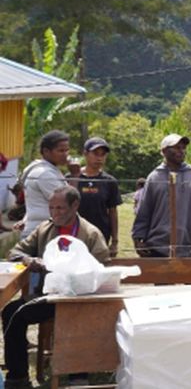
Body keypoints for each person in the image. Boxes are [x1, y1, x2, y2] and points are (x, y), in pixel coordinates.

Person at [2, 186, 109, 385]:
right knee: (12, 313)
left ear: (75, 206)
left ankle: (78, 376)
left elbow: (103, 268)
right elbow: (14, 252)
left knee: (78, 319)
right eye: (51, 208)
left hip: (81, 299)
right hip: (50, 297)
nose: (54, 213)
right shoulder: (45, 229)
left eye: (60, 208)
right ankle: (18, 378)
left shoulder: (91, 233)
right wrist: (29, 259)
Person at [132, 134, 191, 257]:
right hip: (157, 246)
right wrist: (138, 238)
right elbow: (144, 211)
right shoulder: (154, 177)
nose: (181, 151)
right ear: (164, 151)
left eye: (183, 148)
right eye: (176, 148)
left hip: (189, 246)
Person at [72, 137, 121, 252]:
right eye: (95, 154)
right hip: (75, 233)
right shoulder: (73, 177)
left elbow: (113, 212)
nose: (99, 158)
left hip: (101, 235)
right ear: (85, 154)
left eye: (103, 154)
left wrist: (115, 241)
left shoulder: (110, 181)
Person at [19, 130, 70, 236]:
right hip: (41, 233)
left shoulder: (49, 170)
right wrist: (75, 175)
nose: (65, 155)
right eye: (61, 151)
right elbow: (68, 203)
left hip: (42, 230)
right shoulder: (44, 174)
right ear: (46, 151)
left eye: (67, 150)